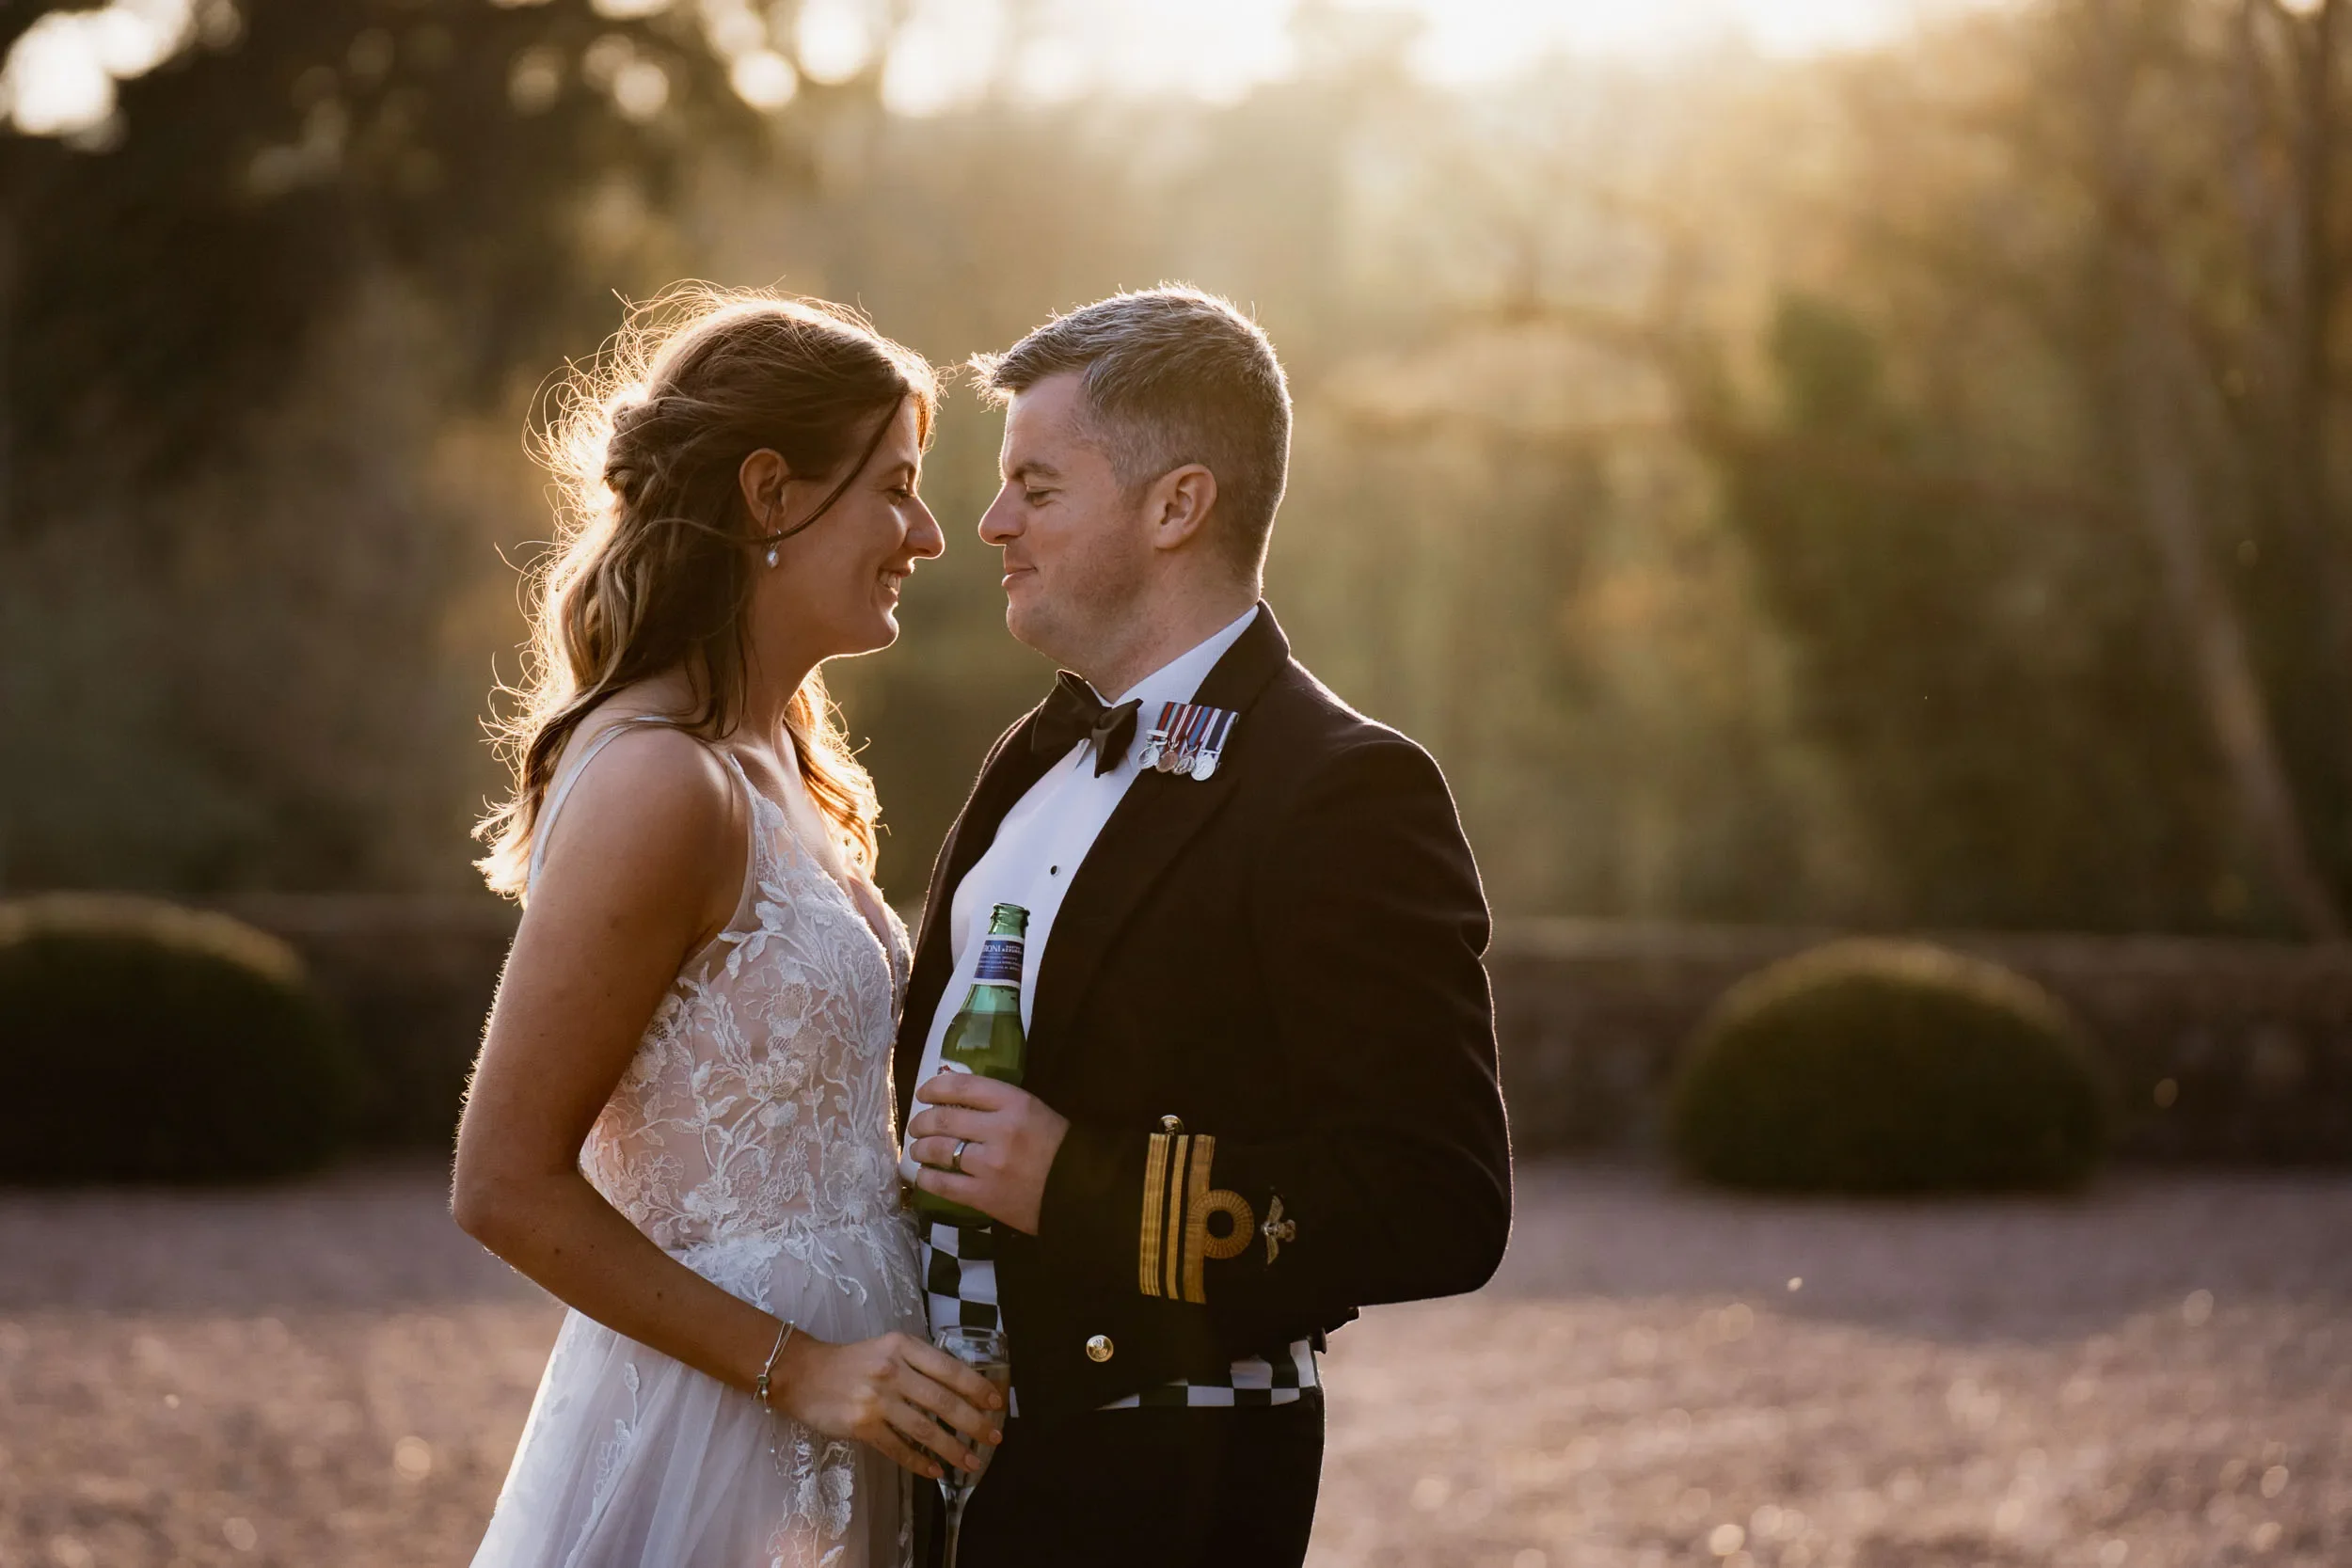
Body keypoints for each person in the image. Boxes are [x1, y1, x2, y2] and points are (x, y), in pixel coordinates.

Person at [898, 287, 1515, 1566]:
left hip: (1163, 1488)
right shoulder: (1033, 755)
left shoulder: (1344, 789)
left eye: (1037, 485)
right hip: (933, 1480)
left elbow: (1440, 1202)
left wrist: (1078, 1180)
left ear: (1177, 506)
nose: (991, 521)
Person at [452, 288, 1003, 1568]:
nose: (925, 534)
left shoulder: (785, 764)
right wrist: (800, 1368)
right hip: (717, 1425)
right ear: (772, 493)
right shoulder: (660, 782)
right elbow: (502, 1182)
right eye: (896, 487)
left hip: (850, 1421)